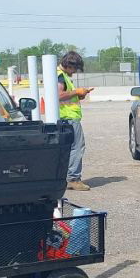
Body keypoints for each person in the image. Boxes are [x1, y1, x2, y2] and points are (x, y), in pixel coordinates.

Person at [56, 51, 93, 191]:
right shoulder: (60, 76)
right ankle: (73, 178)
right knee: (77, 147)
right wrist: (77, 92)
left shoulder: (61, 75)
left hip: (66, 117)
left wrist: (80, 95)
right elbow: (59, 95)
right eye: (75, 68)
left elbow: (66, 96)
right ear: (69, 65)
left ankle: (68, 177)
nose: (75, 71)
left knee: (69, 148)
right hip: (69, 118)